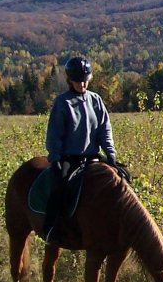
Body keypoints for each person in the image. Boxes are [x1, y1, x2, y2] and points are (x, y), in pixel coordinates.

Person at [42, 56, 117, 244]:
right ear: (70, 80)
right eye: (77, 81)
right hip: (70, 158)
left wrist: (111, 154)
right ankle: (51, 229)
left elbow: (104, 129)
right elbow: (54, 133)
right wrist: (55, 157)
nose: (82, 84)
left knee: (121, 179)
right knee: (60, 187)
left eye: (85, 80)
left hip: (92, 157)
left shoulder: (96, 100)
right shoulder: (62, 102)